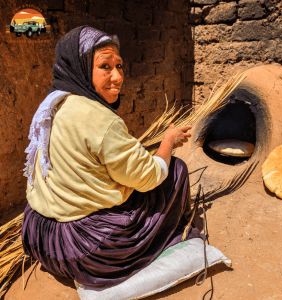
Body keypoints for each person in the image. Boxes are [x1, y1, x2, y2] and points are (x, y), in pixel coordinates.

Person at [21, 26, 201, 289]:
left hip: (40, 238)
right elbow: (150, 177)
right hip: (85, 253)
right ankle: (176, 229)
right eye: (105, 66)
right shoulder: (101, 120)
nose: (117, 77)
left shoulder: (53, 104)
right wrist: (168, 142)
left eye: (119, 66)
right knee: (174, 171)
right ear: (81, 68)